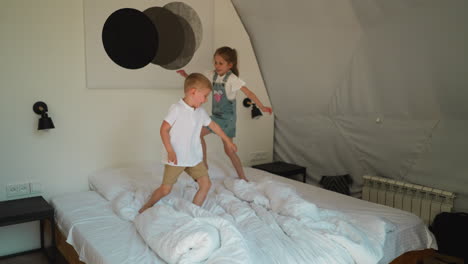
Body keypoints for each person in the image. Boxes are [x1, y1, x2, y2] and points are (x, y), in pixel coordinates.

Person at [138, 73, 237, 214]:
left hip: (194, 157)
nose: (206, 100)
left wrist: (227, 141)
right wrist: (170, 150)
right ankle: (146, 207)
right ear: (193, 92)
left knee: (206, 184)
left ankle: (192, 212)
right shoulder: (177, 109)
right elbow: (164, 129)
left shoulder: (200, 112)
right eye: (205, 96)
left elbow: (214, 126)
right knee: (166, 189)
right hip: (176, 157)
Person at [177, 46, 272, 181]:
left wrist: (262, 106)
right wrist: (186, 75)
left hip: (228, 119)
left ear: (230, 65)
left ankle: (243, 177)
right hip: (216, 117)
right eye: (215, 62)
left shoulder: (232, 80)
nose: (217, 66)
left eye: (221, 63)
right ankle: (204, 165)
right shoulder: (212, 75)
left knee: (229, 150)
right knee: (197, 134)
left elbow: (248, 93)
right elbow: (198, 83)